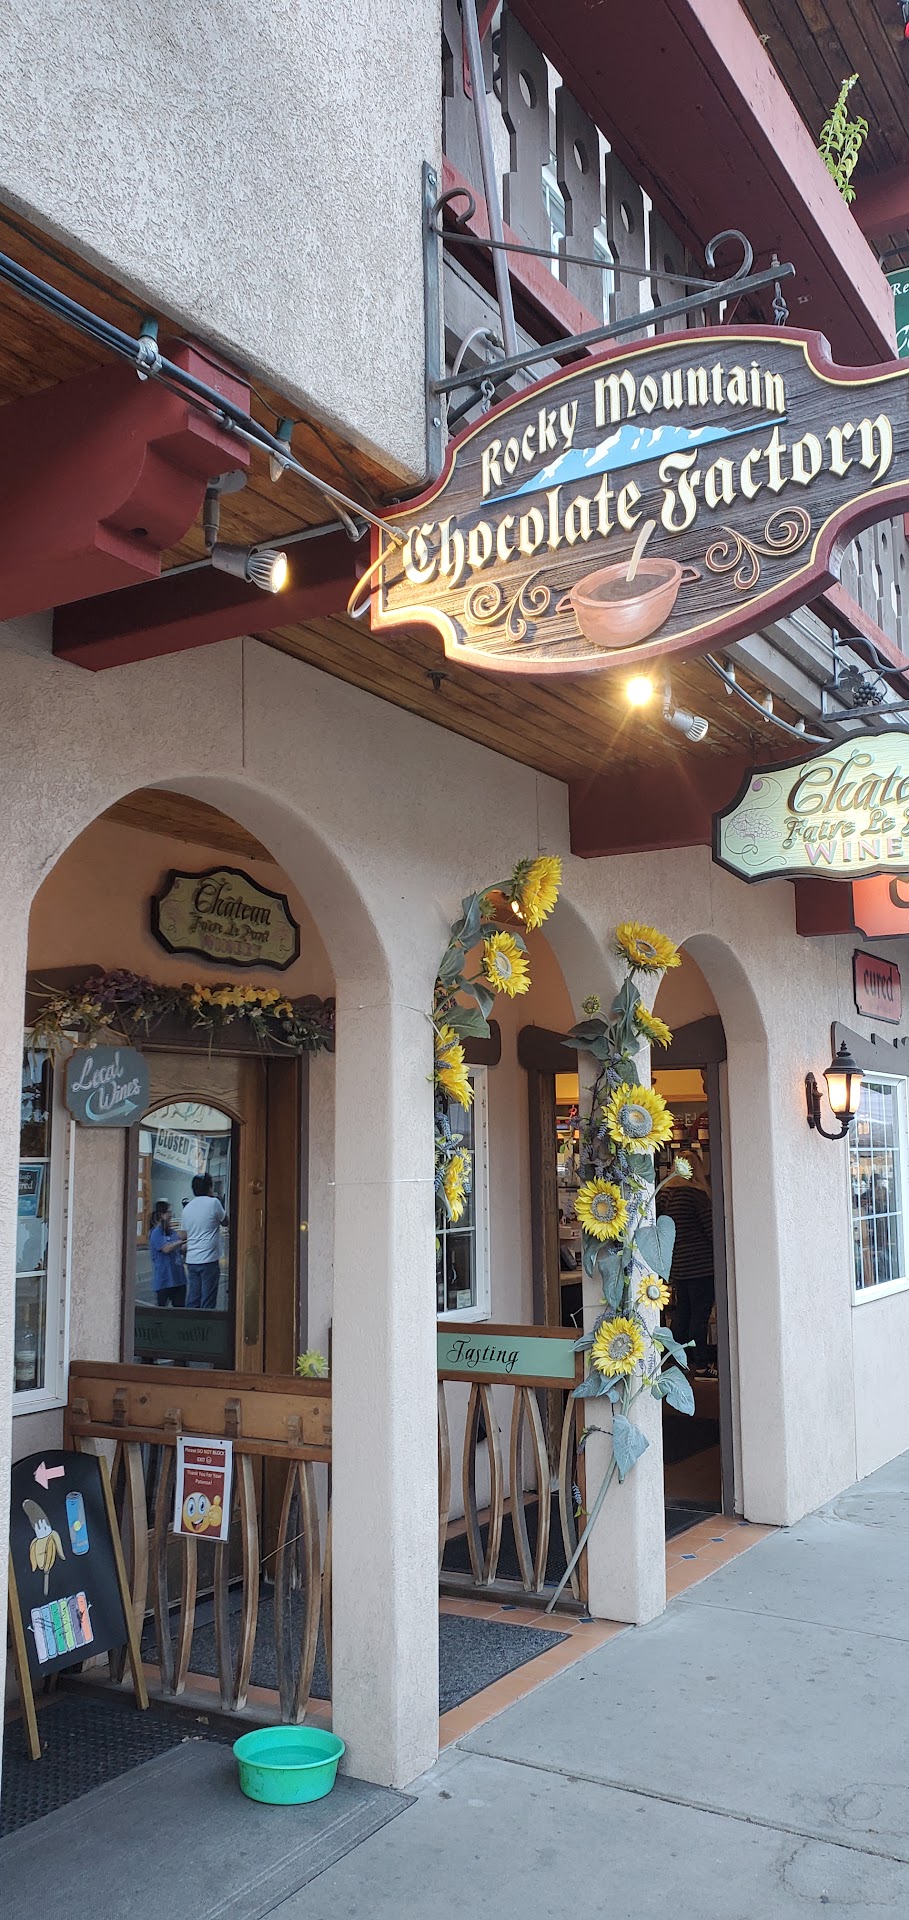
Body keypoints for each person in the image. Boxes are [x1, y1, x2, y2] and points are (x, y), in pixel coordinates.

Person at [657, 1152, 715, 1374]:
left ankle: (673, 1360)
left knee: (682, 1314)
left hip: (679, 1265)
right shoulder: (696, 1196)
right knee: (699, 1316)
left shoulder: (665, 1195)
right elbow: (711, 1231)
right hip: (701, 1265)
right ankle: (701, 1364)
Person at [181, 1173, 226, 1310]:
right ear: (209, 1187)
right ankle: (206, 1323)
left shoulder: (188, 1207)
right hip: (209, 1259)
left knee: (194, 1298)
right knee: (208, 1300)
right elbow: (226, 1221)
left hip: (192, 1259)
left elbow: (183, 1234)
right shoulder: (214, 1203)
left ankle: (191, 1321)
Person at [148, 1200, 187, 1307]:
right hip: (164, 1280)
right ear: (161, 1215)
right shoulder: (156, 1233)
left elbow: (180, 1249)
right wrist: (179, 1243)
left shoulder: (171, 1232)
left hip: (178, 1279)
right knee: (162, 1310)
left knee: (180, 1310)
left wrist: (191, 1243)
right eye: (168, 1212)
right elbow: (166, 1249)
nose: (171, 1215)